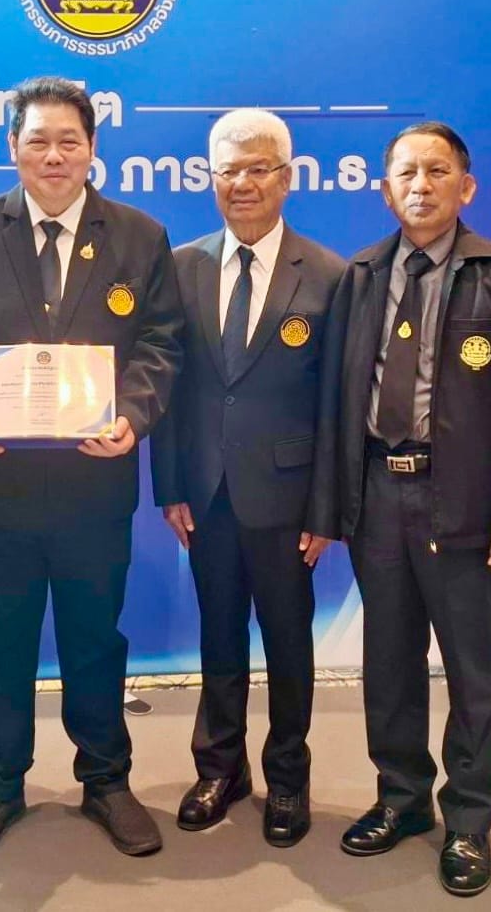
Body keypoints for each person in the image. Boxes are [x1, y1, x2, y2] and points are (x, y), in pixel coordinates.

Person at [0, 76, 183, 862]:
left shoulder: (138, 235)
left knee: (94, 639)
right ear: (12, 148)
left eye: (70, 140)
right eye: (38, 140)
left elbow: (161, 342)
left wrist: (132, 412)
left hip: (94, 487)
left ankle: (105, 778)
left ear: (93, 148)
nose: (54, 155)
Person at [335, 122, 491, 896]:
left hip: (460, 500)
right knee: (387, 661)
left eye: (436, 171)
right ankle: (401, 797)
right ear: (383, 188)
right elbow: (339, 398)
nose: (419, 185)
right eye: (405, 173)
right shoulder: (360, 274)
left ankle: (467, 818)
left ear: (466, 186)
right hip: (376, 492)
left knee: (468, 668)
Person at [150, 109, 344, 846]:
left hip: (289, 499)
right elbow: (168, 388)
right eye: (227, 170)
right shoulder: (181, 266)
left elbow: (337, 404)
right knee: (218, 635)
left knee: (289, 643)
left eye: (257, 169)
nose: (242, 184)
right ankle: (219, 768)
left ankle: (288, 777)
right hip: (206, 493)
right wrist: (170, 485)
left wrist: (326, 508)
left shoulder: (329, 275)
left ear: (286, 178)